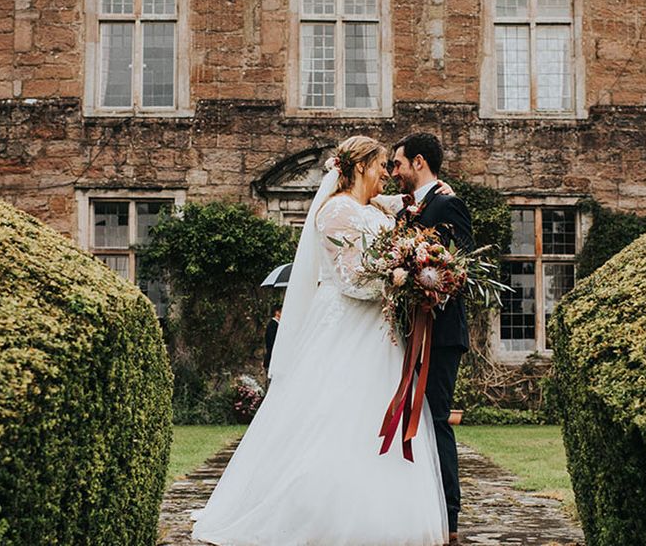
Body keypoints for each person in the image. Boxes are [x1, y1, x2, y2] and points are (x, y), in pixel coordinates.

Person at [191, 135, 448, 546]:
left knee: (375, 416)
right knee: (333, 415)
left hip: (380, 332)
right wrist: (396, 279)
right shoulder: (334, 212)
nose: (387, 173)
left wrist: (434, 204)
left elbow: (412, 207)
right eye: (382, 165)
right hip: (346, 323)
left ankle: (379, 514)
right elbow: (350, 280)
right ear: (361, 166)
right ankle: (314, 512)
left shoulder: (375, 207)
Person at [389, 133, 473, 545]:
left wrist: (434, 281)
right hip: (410, 330)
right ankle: (413, 506)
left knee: (436, 420)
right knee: (409, 421)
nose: (393, 172)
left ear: (418, 162)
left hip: (440, 333)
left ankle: (449, 517)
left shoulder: (448, 203)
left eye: (397, 164)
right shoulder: (407, 211)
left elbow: (469, 264)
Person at [262, 306, 280, 373]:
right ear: (277, 312)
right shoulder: (272, 325)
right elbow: (272, 341)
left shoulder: (275, 324)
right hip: (271, 357)